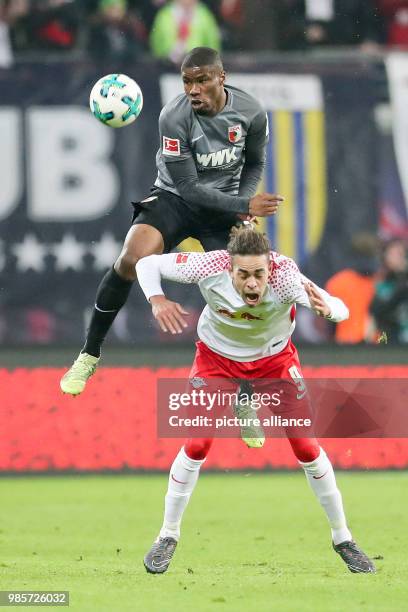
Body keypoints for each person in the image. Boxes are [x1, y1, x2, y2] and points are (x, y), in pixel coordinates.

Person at [135, 226, 376, 575]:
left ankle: (344, 539)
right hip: (216, 361)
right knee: (197, 444)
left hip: (274, 362)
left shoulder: (287, 278)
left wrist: (329, 312)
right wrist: (156, 299)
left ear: (269, 270)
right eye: (243, 274)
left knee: (307, 448)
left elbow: (340, 309)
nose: (252, 283)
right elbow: (147, 265)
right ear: (229, 268)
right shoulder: (208, 266)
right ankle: (167, 536)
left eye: (258, 274)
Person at [60, 46, 283, 396]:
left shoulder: (251, 112)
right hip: (175, 199)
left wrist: (243, 207)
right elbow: (188, 188)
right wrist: (244, 202)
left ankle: (246, 394)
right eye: (187, 82)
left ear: (221, 78)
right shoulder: (173, 117)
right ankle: (89, 354)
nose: (193, 90)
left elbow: (254, 163)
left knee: (247, 291)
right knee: (131, 259)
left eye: (202, 81)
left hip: (223, 208)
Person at [150, 0, 221, 63]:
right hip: (167, 67)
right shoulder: (164, 15)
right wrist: (167, 54)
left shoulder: (205, 16)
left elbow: (213, 45)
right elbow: (156, 42)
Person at [370, 238, 408, 343]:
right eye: (393, 254)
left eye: (400, 254)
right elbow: (376, 310)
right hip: (389, 338)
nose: (398, 258)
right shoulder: (379, 282)